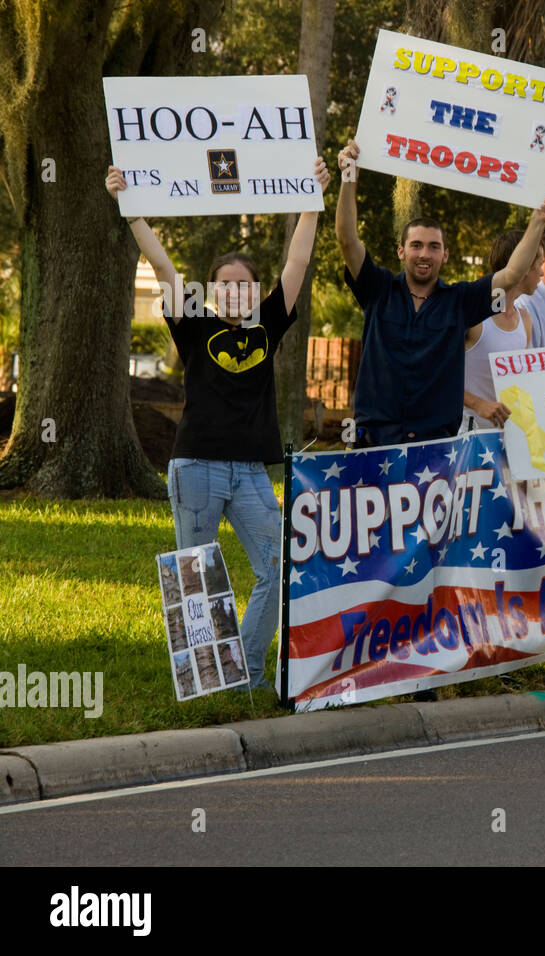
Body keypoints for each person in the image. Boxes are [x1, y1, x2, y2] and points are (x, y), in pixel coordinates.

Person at [105, 157, 331, 690]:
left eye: (244, 285)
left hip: (252, 472)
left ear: (255, 292)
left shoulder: (267, 327)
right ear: (211, 292)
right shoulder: (194, 324)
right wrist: (129, 206)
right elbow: (162, 267)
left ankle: (246, 678)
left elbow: (296, 264)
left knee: (278, 569)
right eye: (225, 285)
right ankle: (205, 683)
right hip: (197, 467)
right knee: (197, 577)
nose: (235, 292)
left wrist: (312, 200)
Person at [334, 137, 545, 446]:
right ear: (401, 251)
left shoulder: (460, 302)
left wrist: (538, 221)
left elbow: (512, 274)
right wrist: (349, 177)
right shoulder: (379, 289)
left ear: (445, 255)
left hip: (437, 448)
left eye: (433, 247)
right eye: (416, 245)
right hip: (373, 443)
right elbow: (347, 239)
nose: (424, 253)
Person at [462, 230, 540, 429]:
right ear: (522, 267)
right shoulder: (474, 316)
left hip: (508, 440)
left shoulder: (524, 318)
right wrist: (478, 404)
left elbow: (524, 384)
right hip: (467, 443)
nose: (541, 272)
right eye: (539, 264)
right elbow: (439, 376)